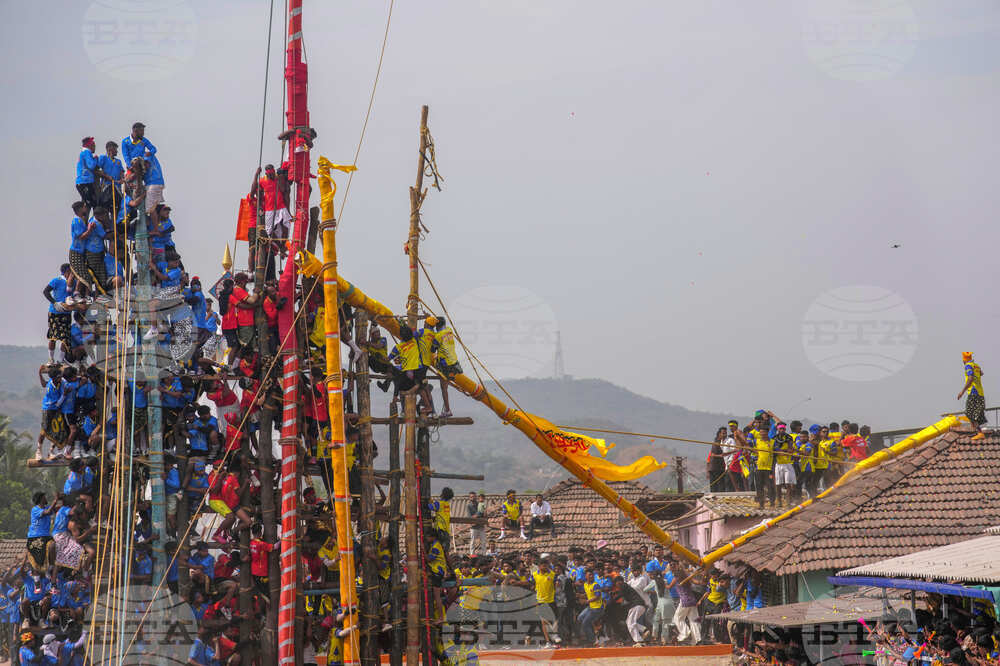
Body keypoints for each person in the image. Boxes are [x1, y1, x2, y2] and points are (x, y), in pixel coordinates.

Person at [427, 315, 461, 417]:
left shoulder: (438, 336)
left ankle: (447, 410)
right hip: (454, 362)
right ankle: (447, 409)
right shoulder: (449, 330)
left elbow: (432, 350)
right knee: (446, 384)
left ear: (436, 326)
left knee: (443, 388)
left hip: (445, 364)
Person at [43, 265, 74, 364]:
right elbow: (46, 291)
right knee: (53, 336)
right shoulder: (57, 280)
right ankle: (50, 358)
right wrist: (54, 303)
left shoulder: (74, 282)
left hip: (67, 312)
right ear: (66, 271)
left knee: (65, 337)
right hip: (55, 312)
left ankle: (60, 360)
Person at [958, 352, 987, 441]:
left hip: (973, 392)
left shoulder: (968, 366)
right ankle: (977, 431)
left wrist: (962, 392)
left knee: (969, 412)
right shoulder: (976, 366)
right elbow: (981, 373)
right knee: (976, 412)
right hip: (980, 392)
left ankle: (979, 433)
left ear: (964, 360)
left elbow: (970, 379)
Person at [577, 569, 605, 646]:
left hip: (597, 608)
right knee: (580, 618)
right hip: (591, 607)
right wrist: (580, 596)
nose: (591, 576)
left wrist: (587, 601)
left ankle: (593, 640)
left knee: (585, 623)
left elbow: (597, 596)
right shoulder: (585, 584)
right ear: (585, 576)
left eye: (592, 574)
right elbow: (588, 594)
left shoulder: (595, 585)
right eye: (589, 575)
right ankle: (595, 635)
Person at [771, 423, 796, 507]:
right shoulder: (774, 438)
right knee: (778, 484)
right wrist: (781, 451)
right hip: (778, 464)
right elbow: (774, 450)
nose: (782, 430)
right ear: (778, 429)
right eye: (780, 429)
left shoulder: (789, 437)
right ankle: (779, 502)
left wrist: (782, 451)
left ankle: (788, 502)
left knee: (788, 484)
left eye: (783, 429)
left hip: (787, 463)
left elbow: (790, 449)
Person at [752, 423, 775, 509]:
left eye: (764, 433)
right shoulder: (757, 441)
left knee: (770, 486)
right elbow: (750, 448)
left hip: (768, 468)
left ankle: (772, 503)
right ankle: (761, 504)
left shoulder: (772, 442)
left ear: (767, 433)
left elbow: (777, 451)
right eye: (761, 432)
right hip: (759, 467)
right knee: (759, 486)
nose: (762, 434)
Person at [75, 137, 99, 208]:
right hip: (85, 182)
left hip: (84, 182)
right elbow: (91, 165)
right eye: (93, 145)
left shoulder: (83, 153)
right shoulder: (87, 152)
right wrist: (96, 159)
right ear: (89, 145)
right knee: (91, 203)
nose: (95, 147)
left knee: (87, 202)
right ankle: (88, 218)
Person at [708, 427, 727, 491]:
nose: (725, 435)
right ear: (719, 434)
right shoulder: (717, 443)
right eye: (723, 433)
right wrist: (721, 455)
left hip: (716, 468)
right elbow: (713, 455)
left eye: (726, 433)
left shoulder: (720, 442)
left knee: (717, 486)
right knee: (718, 486)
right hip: (716, 468)